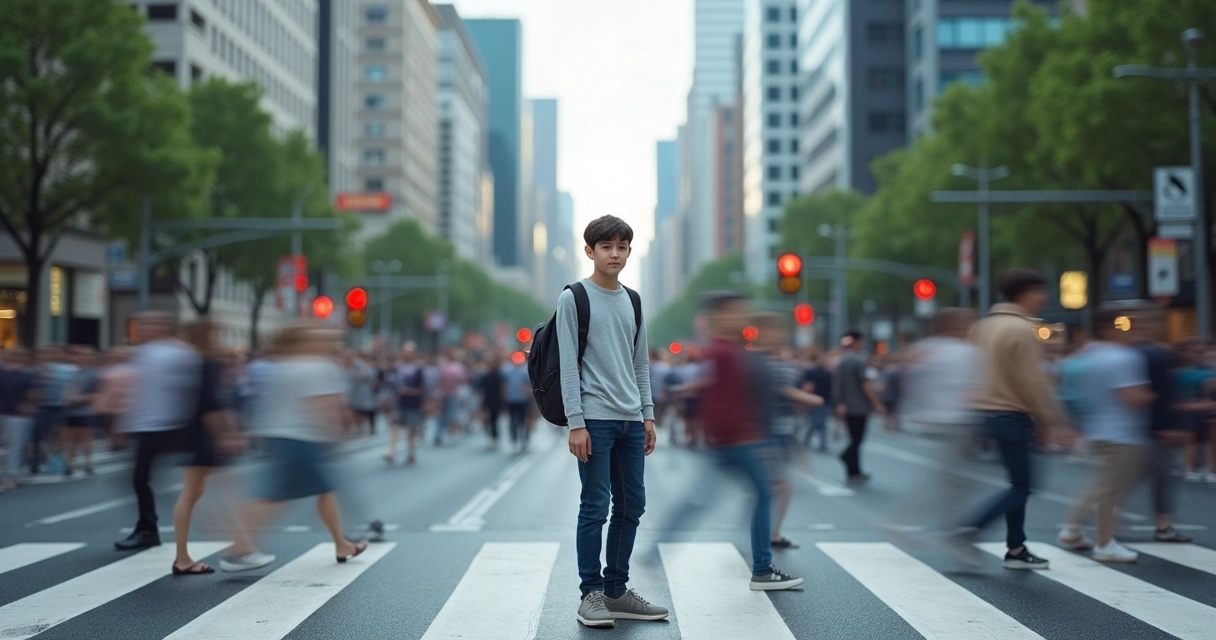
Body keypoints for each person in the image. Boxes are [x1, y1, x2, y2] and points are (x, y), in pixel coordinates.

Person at [558, 215, 666, 629]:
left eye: (622, 246)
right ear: (590, 251)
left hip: (630, 421)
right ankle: (591, 594)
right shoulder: (575, 298)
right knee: (595, 506)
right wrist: (576, 422)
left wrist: (647, 414)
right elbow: (568, 365)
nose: (615, 254)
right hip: (595, 420)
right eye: (606, 247)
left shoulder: (633, 300)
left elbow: (640, 363)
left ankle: (617, 590)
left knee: (633, 505)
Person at [678, 293, 804, 591]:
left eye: (741, 312)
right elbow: (721, 397)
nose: (740, 317)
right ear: (720, 317)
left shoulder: (731, 351)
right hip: (737, 439)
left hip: (738, 438)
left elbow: (721, 391)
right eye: (734, 312)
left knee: (712, 499)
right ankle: (761, 569)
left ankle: (761, 566)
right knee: (758, 493)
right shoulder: (724, 352)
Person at [949, 269, 1072, 569]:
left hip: (984, 411)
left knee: (1019, 483)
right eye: (1039, 292)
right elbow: (1034, 382)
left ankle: (1016, 548)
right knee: (1023, 485)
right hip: (1011, 412)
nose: (1043, 298)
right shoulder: (1021, 330)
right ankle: (969, 529)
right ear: (1024, 294)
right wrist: (1056, 420)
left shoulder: (983, 326)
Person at [221, 324, 367, 571]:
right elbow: (324, 404)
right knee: (274, 496)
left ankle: (341, 543)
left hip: (279, 435)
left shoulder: (281, 364)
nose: (331, 341)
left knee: (324, 489)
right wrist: (338, 433)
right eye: (324, 336)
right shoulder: (318, 366)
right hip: (301, 438)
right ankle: (239, 550)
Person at [115, 313, 200, 551]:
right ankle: (147, 529)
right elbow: (134, 390)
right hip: (147, 426)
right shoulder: (142, 353)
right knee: (140, 478)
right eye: (143, 324)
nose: (145, 328)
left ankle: (154, 527)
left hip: (176, 425)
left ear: (167, 327)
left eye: (151, 324)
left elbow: (193, 390)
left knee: (199, 481)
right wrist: (124, 424)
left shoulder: (181, 353)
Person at [172, 319, 248, 575]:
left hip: (190, 431)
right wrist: (226, 435)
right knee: (223, 490)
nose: (222, 336)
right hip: (205, 435)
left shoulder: (190, 362)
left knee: (193, 492)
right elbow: (210, 405)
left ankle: (184, 556)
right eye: (217, 332)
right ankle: (241, 549)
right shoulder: (208, 363)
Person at [832, 329, 885, 484]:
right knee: (857, 439)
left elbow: (838, 385)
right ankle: (848, 458)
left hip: (847, 405)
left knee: (855, 437)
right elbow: (865, 384)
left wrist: (839, 402)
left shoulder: (842, 361)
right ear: (857, 341)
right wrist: (877, 403)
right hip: (859, 406)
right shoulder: (857, 361)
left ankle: (853, 471)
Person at [386, 343, 425, 465]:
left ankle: (411, 452)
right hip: (399, 402)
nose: (407, 354)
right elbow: (390, 384)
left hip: (413, 403)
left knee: (411, 430)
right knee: (395, 426)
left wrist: (408, 391)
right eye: (405, 351)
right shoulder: (396, 367)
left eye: (410, 352)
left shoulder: (418, 369)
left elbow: (421, 388)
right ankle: (391, 452)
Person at [501, 354, 532, 452]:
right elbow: (503, 383)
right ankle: (514, 438)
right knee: (512, 420)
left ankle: (524, 438)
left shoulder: (525, 369)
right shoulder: (507, 370)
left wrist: (527, 391)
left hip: (523, 399)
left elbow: (530, 383)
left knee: (523, 420)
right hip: (511, 399)